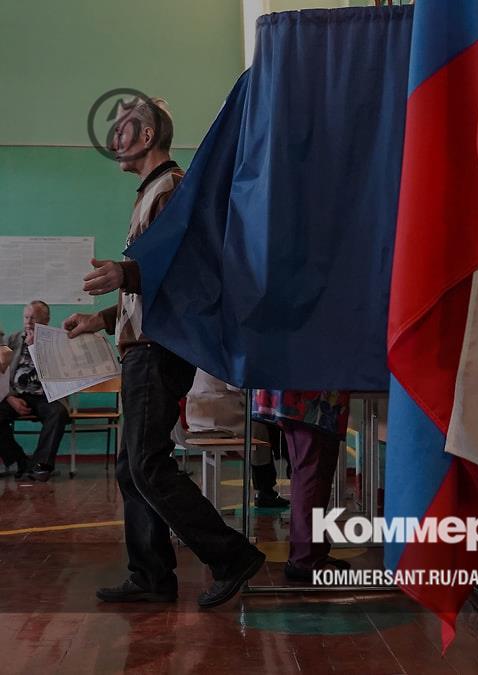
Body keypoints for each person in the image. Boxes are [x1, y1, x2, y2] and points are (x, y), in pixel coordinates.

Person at [63, 95, 264, 608]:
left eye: (122, 130)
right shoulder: (151, 193)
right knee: (132, 467)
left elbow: (184, 270)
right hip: (144, 345)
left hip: (158, 350)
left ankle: (230, 556)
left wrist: (126, 273)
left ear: (147, 137)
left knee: (148, 464)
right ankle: (151, 575)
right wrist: (101, 318)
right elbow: (150, 288)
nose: (114, 141)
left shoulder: (170, 189)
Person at [253, 390, 351, 582]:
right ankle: (306, 560)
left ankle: (312, 552)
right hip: (311, 394)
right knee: (313, 474)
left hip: (294, 393)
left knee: (310, 472)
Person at [179, 369, 288, 508]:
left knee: (262, 426)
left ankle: (268, 486)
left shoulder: (199, 357)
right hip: (220, 414)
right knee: (261, 427)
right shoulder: (224, 357)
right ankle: (265, 490)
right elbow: (237, 385)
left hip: (197, 415)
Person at [0, 301, 69, 480]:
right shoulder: (11, 340)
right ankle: (20, 461)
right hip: (15, 395)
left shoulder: (55, 342)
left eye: (34, 318)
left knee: (58, 413)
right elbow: (1, 372)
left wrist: (35, 348)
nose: (29, 322)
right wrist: (9, 397)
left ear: (46, 320)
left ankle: (41, 466)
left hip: (45, 395)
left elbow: (59, 372)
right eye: (26, 317)